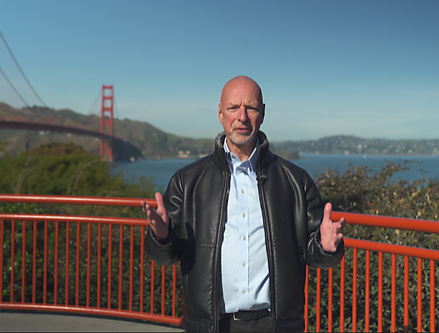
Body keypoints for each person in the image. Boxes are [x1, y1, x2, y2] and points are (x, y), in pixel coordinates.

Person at [141, 76, 346, 332]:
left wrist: (327, 248)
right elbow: (165, 257)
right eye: (232, 107)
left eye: (250, 107)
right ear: (220, 114)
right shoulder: (188, 181)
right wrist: (161, 237)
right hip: (212, 325)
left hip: (276, 325)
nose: (242, 116)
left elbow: (316, 256)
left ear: (262, 113)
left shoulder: (296, 181)